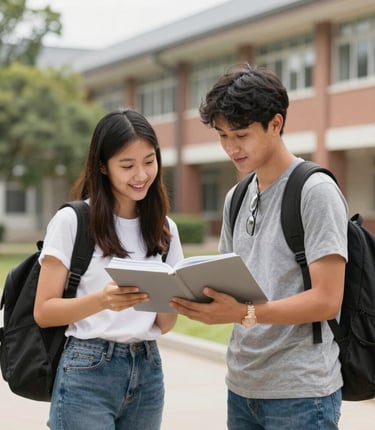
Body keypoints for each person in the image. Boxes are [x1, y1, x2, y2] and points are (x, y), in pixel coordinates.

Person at [170, 64, 348, 430]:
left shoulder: (314, 191)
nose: (231, 148)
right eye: (222, 136)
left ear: (276, 124)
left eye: (241, 134)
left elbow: (328, 299)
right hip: (242, 387)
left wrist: (243, 313)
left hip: (302, 394)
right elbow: (228, 282)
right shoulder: (236, 196)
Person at [34, 108, 184, 430]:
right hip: (87, 367)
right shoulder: (73, 221)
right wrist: (103, 300)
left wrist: (175, 298)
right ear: (102, 166)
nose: (141, 174)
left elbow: (166, 324)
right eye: (127, 165)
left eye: (149, 161)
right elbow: (44, 311)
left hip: (147, 368)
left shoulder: (164, 229)